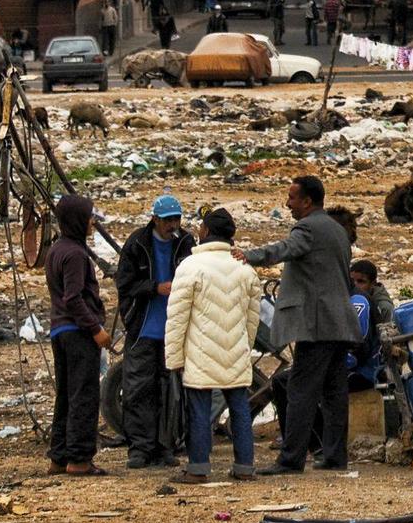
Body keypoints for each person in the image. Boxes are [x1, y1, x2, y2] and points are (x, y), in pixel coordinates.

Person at [243, 173, 358, 473]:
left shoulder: (307, 228)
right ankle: (334, 456)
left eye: (292, 198)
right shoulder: (337, 231)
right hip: (340, 323)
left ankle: (291, 458)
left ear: (307, 201)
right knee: (334, 394)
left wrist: (247, 256)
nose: (288, 203)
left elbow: (283, 249)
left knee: (300, 391)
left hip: (317, 326)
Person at [161, 207, 259, 484]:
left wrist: (174, 358)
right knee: (240, 410)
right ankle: (244, 467)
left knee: (200, 412)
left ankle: (199, 467)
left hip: (201, 353)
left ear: (205, 231)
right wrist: (244, 347)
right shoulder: (246, 269)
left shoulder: (190, 268)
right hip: (237, 351)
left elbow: (177, 319)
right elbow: (252, 321)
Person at [113, 193, 193, 469]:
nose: (173, 225)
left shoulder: (185, 242)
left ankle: (164, 447)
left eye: (176, 220)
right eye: (168, 221)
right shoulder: (137, 243)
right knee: (137, 389)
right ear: (155, 220)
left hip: (174, 330)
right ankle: (139, 448)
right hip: (143, 329)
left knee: (170, 392)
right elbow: (124, 284)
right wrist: (154, 288)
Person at [43, 194, 111, 476]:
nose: (92, 223)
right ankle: (80, 458)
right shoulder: (74, 254)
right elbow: (73, 298)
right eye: (88, 217)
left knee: (66, 396)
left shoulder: (57, 250)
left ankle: (59, 456)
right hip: (78, 333)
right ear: (76, 220)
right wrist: (96, 329)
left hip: (60, 331)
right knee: (84, 395)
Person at [346, 258, 392, 392]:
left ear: (373, 283)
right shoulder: (353, 299)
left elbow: (384, 342)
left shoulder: (383, 307)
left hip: (374, 367)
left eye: (361, 282)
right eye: (352, 281)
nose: (355, 285)